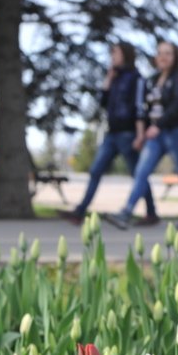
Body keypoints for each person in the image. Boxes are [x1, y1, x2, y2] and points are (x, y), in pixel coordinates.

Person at [105, 41, 178, 230]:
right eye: (160, 53)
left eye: (168, 53)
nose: (163, 57)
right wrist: (143, 133)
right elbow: (146, 110)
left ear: (175, 57)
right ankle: (127, 212)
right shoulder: (153, 80)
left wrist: (160, 124)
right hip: (155, 135)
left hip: (175, 132)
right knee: (141, 172)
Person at [60, 43, 151, 224]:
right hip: (112, 133)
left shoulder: (136, 78)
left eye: (115, 53)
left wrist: (140, 134)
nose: (112, 57)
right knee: (96, 170)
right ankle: (80, 211)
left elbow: (140, 108)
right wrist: (108, 80)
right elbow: (103, 102)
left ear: (125, 54)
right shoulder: (115, 78)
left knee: (138, 174)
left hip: (128, 133)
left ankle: (152, 213)